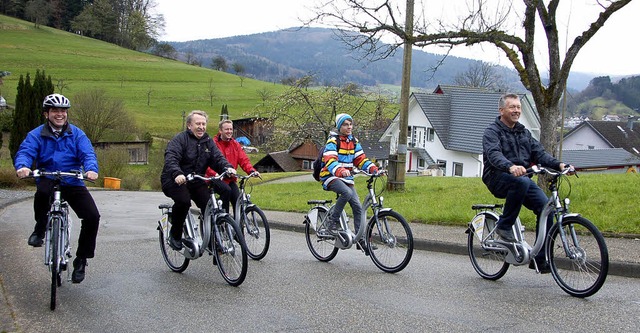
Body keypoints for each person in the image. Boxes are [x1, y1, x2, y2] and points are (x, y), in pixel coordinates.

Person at [14, 93, 100, 284]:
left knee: (92, 216)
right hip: (48, 176)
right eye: (55, 111)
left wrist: (91, 170)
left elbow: (88, 154)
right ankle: (40, 229)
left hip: (72, 180)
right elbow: (26, 151)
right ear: (47, 114)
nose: (60, 114)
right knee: (42, 194)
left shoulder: (77, 134)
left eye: (63, 111)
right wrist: (23, 166)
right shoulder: (36, 134)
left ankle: (81, 259)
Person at [482, 93, 570, 273]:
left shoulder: (524, 132)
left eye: (518, 107)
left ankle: (540, 258)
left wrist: (559, 164)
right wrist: (510, 166)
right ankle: (504, 226)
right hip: (497, 177)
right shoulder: (492, 131)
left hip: (520, 179)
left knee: (546, 208)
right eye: (512, 107)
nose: (516, 110)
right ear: (501, 110)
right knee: (520, 182)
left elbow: (540, 153)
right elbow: (493, 154)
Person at [160, 110, 235, 251]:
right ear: (189, 125)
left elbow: (217, 158)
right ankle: (175, 235)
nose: (201, 127)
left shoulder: (207, 141)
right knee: (183, 201)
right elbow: (171, 158)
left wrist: (227, 168)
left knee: (209, 207)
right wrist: (177, 173)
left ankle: (214, 240)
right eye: (198, 124)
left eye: (203, 124)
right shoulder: (180, 140)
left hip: (196, 179)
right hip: (175, 179)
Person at [319, 113, 378, 251]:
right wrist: (339, 171)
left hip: (347, 178)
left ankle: (361, 241)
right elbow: (330, 160)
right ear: (340, 127)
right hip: (330, 176)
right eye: (345, 124)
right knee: (346, 193)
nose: (349, 127)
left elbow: (361, 160)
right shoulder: (333, 142)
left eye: (350, 124)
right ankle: (332, 222)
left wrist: (374, 169)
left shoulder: (354, 141)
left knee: (357, 207)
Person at [205, 119, 260, 214]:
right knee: (226, 192)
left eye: (231, 129)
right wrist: (215, 174)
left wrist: (251, 171)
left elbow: (244, 160)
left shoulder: (235, 144)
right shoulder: (213, 144)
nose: (229, 131)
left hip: (230, 179)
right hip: (216, 178)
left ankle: (238, 226)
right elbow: (206, 163)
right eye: (226, 129)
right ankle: (224, 220)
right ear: (220, 131)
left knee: (237, 200)